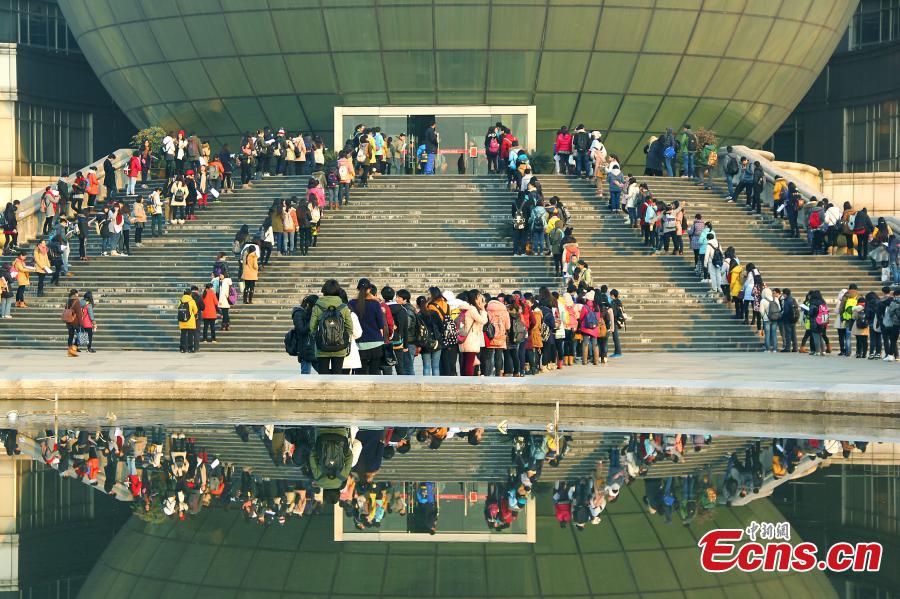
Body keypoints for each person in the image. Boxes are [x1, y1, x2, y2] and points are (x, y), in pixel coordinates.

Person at [308, 279, 353, 374]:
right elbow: (350, 327)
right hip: (339, 347)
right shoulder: (343, 307)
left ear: (324, 290)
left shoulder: (318, 306)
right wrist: (343, 338)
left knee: (323, 375)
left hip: (322, 347)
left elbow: (312, 327)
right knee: (337, 375)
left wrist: (319, 337)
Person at [348, 279, 388, 374]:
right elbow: (380, 324)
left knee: (360, 372)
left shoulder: (351, 303)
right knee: (374, 371)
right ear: (369, 289)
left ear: (358, 289)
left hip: (359, 343)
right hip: (376, 342)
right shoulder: (375, 304)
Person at [458, 290, 488, 376]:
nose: (480, 299)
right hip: (471, 339)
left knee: (465, 362)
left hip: (464, 337)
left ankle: (464, 381)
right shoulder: (472, 309)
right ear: (474, 298)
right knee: (469, 363)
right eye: (479, 296)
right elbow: (483, 320)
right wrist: (483, 310)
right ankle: (468, 381)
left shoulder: (464, 309)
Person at [62, 289, 83, 357]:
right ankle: (73, 349)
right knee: (81, 335)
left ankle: (70, 350)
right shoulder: (77, 301)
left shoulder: (68, 300)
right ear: (75, 294)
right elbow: (79, 313)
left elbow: (66, 309)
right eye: (77, 293)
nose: (78, 295)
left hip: (68, 321)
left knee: (70, 336)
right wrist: (81, 323)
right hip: (75, 321)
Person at [177, 288, 198, 353]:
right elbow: (195, 310)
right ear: (190, 294)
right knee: (190, 336)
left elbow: (178, 309)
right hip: (190, 321)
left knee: (183, 335)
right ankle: (190, 348)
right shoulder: (192, 301)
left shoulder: (180, 301)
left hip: (182, 321)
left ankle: (182, 349)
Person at [760, 287, 781, 353]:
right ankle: (775, 349)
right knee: (774, 334)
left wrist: (764, 316)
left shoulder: (763, 300)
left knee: (767, 334)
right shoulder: (776, 299)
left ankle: (768, 349)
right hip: (775, 318)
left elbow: (761, 311)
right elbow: (779, 309)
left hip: (767, 319)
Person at [241, 240, 258, 304]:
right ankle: (250, 300)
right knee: (251, 288)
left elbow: (243, 264)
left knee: (246, 287)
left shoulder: (245, 256)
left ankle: (245, 300)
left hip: (246, 273)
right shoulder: (254, 256)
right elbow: (255, 266)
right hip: (252, 274)